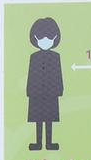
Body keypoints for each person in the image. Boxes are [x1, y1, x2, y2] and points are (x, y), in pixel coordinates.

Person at [26, 17, 64, 151]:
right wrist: (29, 91)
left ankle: (49, 143)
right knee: (38, 119)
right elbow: (31, 74)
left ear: (55, 38)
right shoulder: (34, 57)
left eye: (49, 38)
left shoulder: (56, 57)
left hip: (51, 94)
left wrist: (60, 89)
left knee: (49, 119)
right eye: (41, 38)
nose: (45, 41)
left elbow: (58, 73)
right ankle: (37, 143)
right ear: (35, 39)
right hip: (36, 94)